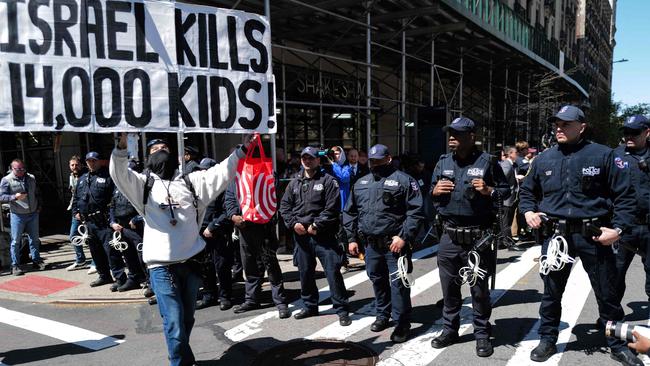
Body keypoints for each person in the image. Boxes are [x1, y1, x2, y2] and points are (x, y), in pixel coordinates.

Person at [110, 133, 251, 366]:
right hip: (161, 268)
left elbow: (221, 172)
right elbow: (119, 173)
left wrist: (242, 150)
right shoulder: (142, 185)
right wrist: (122, 146)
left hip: (191, 263)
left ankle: (182, 356)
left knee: (186, 319)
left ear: (175, 155)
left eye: (165, 148)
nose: (160, 152)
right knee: (174, 322)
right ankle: (180, 362)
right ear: (148, 157)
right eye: (155, 150)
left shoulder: (191, 182)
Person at [519, 105, 641, 366]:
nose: (559, 129)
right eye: (556, 124)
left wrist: (617, 229)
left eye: (565, 124)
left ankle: (616, 343)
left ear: (582, 127)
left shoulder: (604, 155)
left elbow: (625, 197)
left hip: (594, 236)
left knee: (606, 293)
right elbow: (527, 192)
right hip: (556, 238)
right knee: (551, 292)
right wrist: (528, 211)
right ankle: (547, 338)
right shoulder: (543, 159)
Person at [429, 117, 510, 357]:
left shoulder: (488, 162)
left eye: (457, 133)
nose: (452, 137)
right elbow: (431, 194)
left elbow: (505, 191)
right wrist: (434, 191)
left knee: (479, 290)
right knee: (449, 289)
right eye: (450, 133)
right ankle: (449, 330)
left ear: (471, 136)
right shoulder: (442, 162)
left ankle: (482, 334)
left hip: (478, 237)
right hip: (449, 236)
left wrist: (489, 190)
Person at [344, 144, 425, 343]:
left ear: (388, 158)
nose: (375, 164)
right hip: (371, 245)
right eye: (372, 161)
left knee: (399, 285)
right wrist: (351, 238)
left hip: (395, 244)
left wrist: (404, 236)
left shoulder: (405, 181)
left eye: (379, 160)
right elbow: (349, 212)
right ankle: (383, 315)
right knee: (377, 281)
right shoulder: (361, 182)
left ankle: (401, 323)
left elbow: (416, 212)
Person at [279, 146, 351, 326]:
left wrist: (317, 225)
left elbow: (332, 208)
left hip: (323, 236)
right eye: (304, 158)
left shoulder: (328, 181)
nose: (307, 161)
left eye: (311, 158)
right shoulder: (294, 182)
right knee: (305, 273)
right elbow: (285, 207)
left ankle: (342, 309)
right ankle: (310, 306)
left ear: (318, 160)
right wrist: (293, 224)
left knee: (332, 272)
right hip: (301, 236)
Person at [225, 175, 291, 318]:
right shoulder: (235, 178)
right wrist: (233, 216)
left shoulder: (267, 173)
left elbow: (275, 198)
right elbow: (229, 199)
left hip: (265, 226)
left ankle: (280, 301)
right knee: (249, 265)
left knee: (271, 265)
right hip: (245, 228)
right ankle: (251, 299)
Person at [73, 152, 126, 288]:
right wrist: (76, 212)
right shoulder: (82, 179)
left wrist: (113, 219)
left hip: (103, 221)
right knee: (95, 252)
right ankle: (104, 276)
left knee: (111, 252)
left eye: (94, 161)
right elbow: (76, 198)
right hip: (88, 222)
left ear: (99, 162)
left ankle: (120, 278)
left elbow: (114, 199)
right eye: (89, 161)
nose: (92, 163)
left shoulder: (107, 177)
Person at [613, 115, 650, 303]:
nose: (629, 136)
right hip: (623, 227)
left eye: (634, 133)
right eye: (626, 132)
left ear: (647, 132)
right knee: (615, 274)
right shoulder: (615, 156)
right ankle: (610, 317)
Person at [195, 158, 234, 311]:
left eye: (205, 169)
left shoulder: (224, 187)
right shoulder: (197, 188)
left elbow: (228, 211)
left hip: (218, 232)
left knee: (222, 266)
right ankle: (209, 295)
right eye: (201, 169)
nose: (202, 172)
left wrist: (212, 227)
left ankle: (225, 297)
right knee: (205, 266)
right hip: (201, 233)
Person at [0, 159, 44, 275]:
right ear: (12, 168)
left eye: (23, 168)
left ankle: (36, 261)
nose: (21, 171)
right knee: (15, 241)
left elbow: (37, 193)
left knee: (34, 239)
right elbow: (1, 197)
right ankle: (15, 265)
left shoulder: (31, 178)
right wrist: (14, 197)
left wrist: (39, 206)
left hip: (33, 213)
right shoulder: (6, 180)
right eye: (18, 169)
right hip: (17, 215)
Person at [498, 146, 524, 250]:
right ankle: (507, 243)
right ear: (510, 154)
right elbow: (501, 179)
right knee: (506, 222)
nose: (517, 154)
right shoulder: (507, 165)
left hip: (510, 198)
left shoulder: (510, 165)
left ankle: (503, 242)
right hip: (506, 199)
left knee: (506, 221)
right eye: (515, 153)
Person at [66, 155, 88, 270]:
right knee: (74, 235)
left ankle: (95, 263)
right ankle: (80, 260)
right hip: (75, 210)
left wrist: (80, 211)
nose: (74, 167)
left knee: (90, 237)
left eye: (77, 164)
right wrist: (75, 211)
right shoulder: (72, 176)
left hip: (86, 211)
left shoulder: (86, 176)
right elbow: (74, 196)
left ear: (81, 165)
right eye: (72, 165)